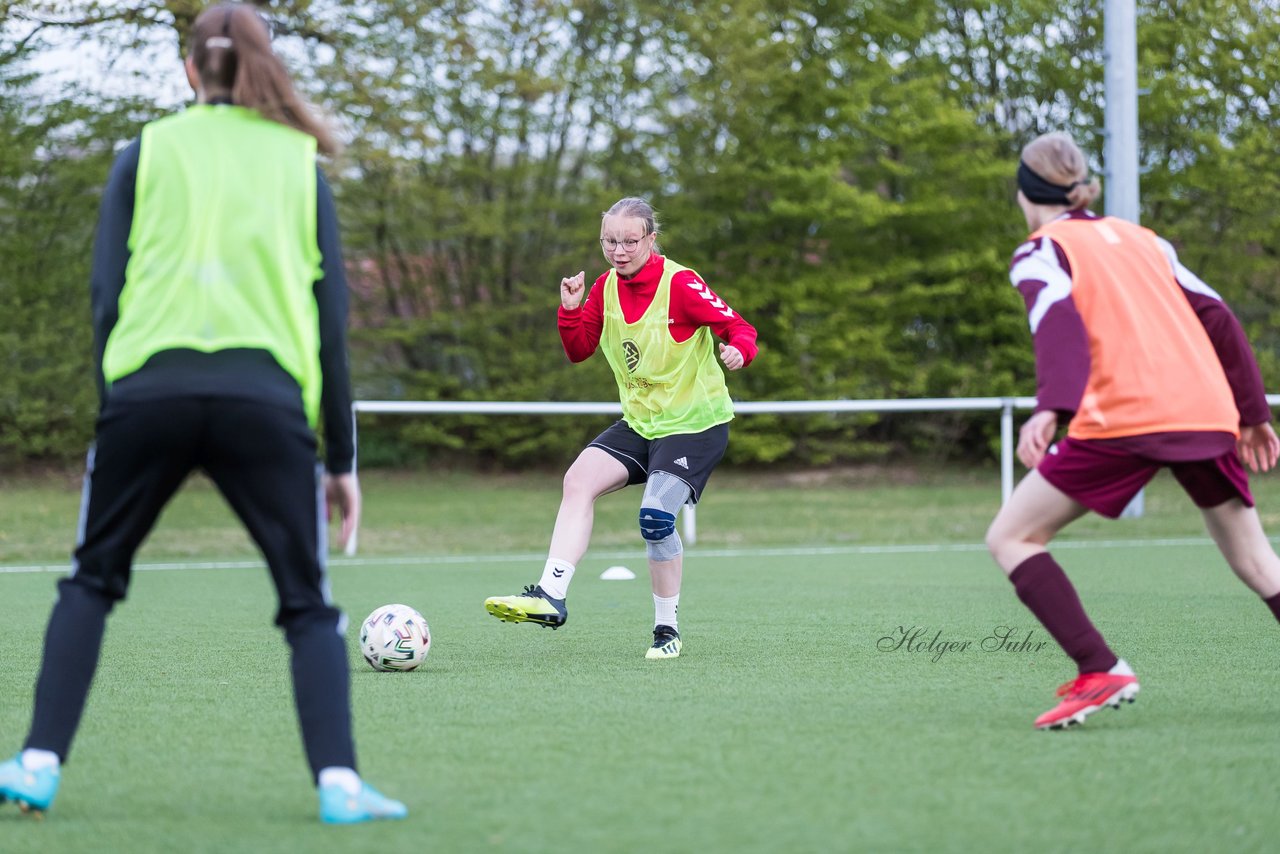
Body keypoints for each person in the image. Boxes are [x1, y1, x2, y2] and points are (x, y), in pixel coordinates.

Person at [0, 3, 404, 823]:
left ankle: (38, 765)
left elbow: (105, 294)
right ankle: (340, 786)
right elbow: (332, 325)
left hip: (146, 394)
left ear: (190, 70)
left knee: (91, 580)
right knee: (307, 604)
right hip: (265, 404)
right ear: (262, 68)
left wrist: (118, 406)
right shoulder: (300, 164)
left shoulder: (141, 154)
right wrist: (340, 457)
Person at [986, 131, 1280, 730]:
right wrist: (1252, 413)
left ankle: (1100, 668)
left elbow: (1057, 321)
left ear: (1025, 194)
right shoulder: (1147, 241)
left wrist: (1051, 408)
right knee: (1258, 563)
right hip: (1205, 411)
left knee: (1013, 536)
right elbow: (1219, 316)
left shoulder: (1041, 249)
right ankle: (1099, 668)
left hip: (1126, 416)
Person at [483, 197, 758, 659]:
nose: (620, 250)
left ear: (651, 238)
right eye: (610, 241)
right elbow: (579, 350)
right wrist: (570, 310)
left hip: (695, 425)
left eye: (630, 241)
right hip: (642, 423)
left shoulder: (682, 284)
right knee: (578, 480)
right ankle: (550, 596)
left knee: (655, 519)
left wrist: (738, 351)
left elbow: (739, 327)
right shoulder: (604, 288)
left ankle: (666, 631)